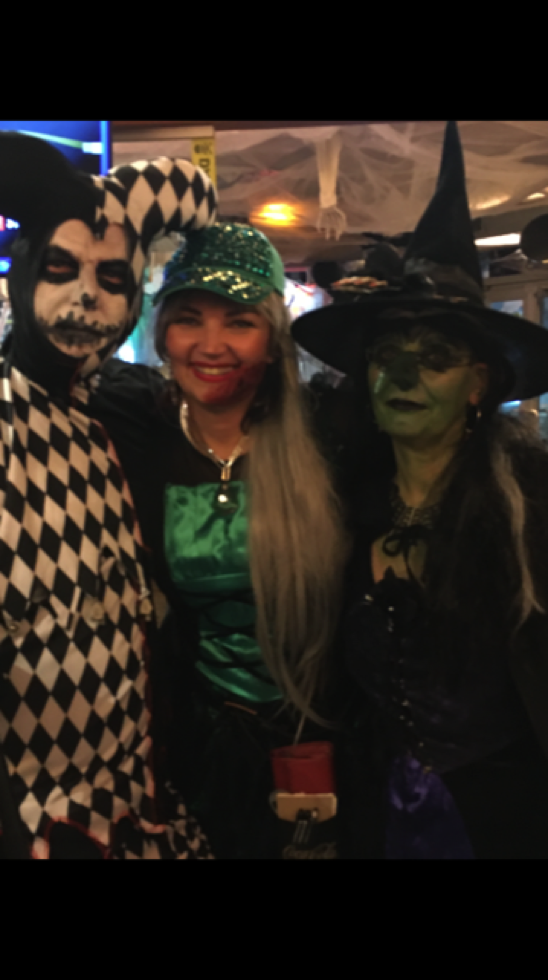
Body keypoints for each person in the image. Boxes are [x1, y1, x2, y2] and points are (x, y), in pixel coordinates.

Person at [292, 121, 548, 858]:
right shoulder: (345, 506)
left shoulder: (532, 509)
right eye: (387, 356)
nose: (402, 377)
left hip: (509, 824)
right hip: (377, 817)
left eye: (434, 358)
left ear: (479, 385)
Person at [0, 131, 218, 858]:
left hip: (134, 805)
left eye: (113, 277)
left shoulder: (111, 417)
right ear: (22, 275)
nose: (86, 294)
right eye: (60, 269)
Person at [114, 222, 349, 858]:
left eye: (239, 322)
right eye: (189, 319)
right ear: (162, 334)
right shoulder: (135, 434)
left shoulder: (331, 438)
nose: (210, 345)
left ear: (272, 340)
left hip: (325, 742)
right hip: (191, 748)